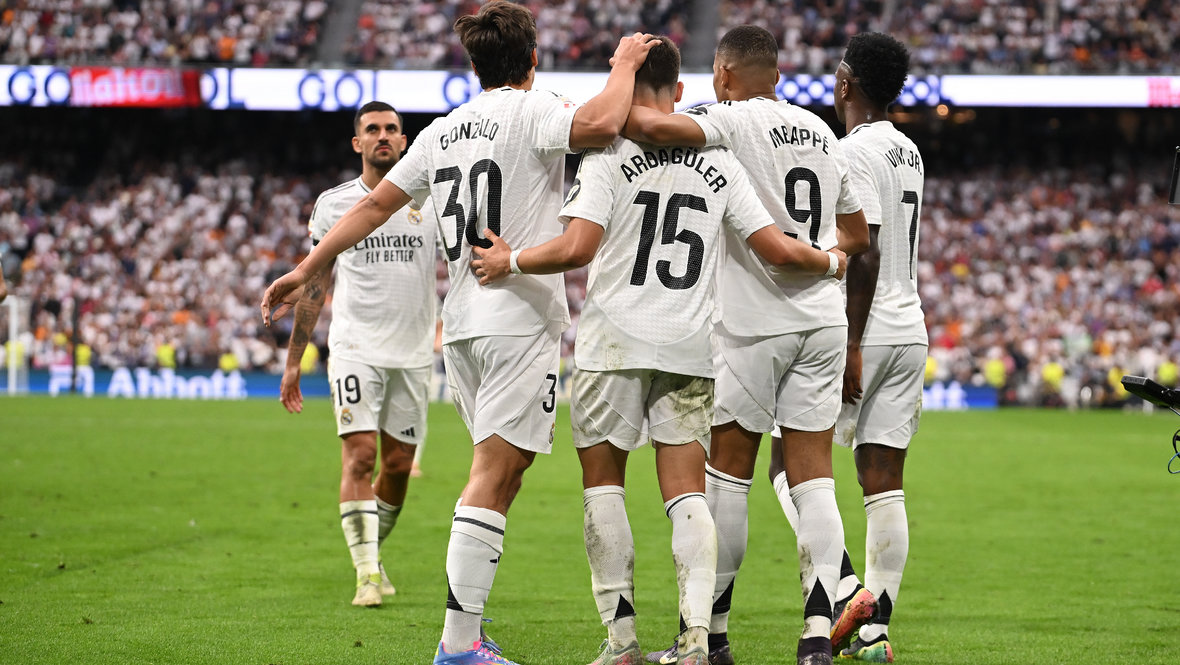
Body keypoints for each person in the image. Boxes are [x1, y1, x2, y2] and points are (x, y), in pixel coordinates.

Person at [261, 3, 658, 664]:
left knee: (505, 471)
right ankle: (458, 643)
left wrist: (307, 264)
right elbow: (601, 123)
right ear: (532, 61)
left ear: (473, 66)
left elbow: (374, 205)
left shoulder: (443, 130)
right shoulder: (532, 110)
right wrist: (622, 64)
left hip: (466, 325)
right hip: (516, 320)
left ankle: (467, 627)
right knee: (494, 473)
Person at [470, 37, 847, 665]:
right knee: (687, 494)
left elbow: (577, 248)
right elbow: (775, 249)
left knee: (604, 487)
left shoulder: (607, 153)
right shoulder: (720, 159)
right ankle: (697, 639)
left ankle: (621, 641)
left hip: (611, 342)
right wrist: (833, 261)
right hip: (690, 345)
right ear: (679, 91)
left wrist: (510, 260)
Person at [625, 25, 869, 665]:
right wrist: (825, 257)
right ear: (778, 75)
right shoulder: (819, 130)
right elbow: (857, 233)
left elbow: (648, 126)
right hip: (823, 320)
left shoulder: (727, 120)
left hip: (752, 323)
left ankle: (713, 635)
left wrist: (619, 79)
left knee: (727, 479)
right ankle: (816, 635)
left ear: (725, 74)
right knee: (814, 478)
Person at [770, 33, 926, 664]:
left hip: (867, 327)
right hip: (909, 326)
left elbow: (866, 250)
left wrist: (853, 342)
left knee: (788, 461)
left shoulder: (852, 149)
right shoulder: (909, 150)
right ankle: (874, 634)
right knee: (884, 484)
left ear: (846, 82)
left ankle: (844, 590)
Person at [278, 101, 438, 608]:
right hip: (354, 347)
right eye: (373, 129)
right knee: (361, 455)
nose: (383, 135)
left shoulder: (432, 200)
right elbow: (314, 286)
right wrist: (294, 361)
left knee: (397, 466)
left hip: (413, 353)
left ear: (405, 141)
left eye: (392, 129)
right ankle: (366, 573)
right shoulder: (334, 205)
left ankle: (371, 550)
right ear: (357, 142)